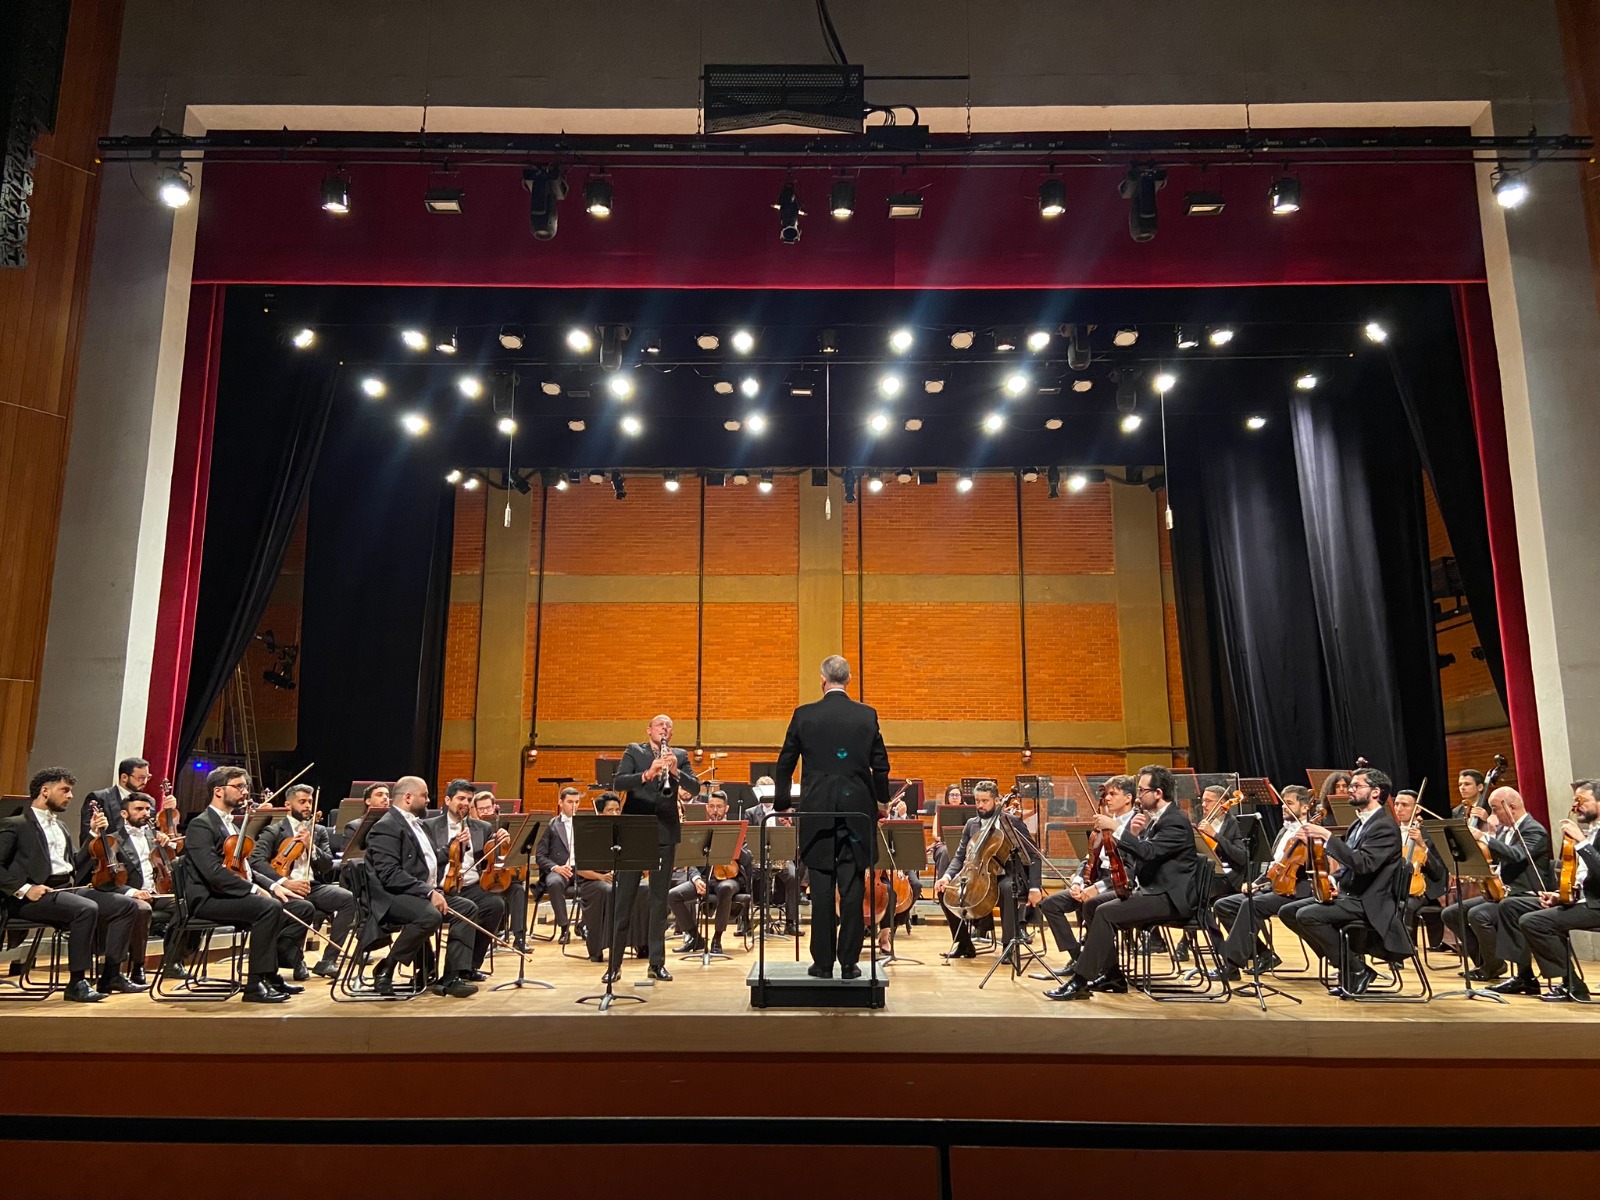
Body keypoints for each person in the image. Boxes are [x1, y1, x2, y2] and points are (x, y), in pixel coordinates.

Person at [773, 655, 891, 980]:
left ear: (822, 680)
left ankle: (822, 964)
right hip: (857, 813)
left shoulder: (804, 715)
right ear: (849, 679)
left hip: (818, 811)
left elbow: (785, 763)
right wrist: (881, 802)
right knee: (852, 886)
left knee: (822, 885)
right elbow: (880, 765)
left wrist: (783, 802)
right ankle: (850, 964)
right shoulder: (867, 716)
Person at [1045, 764, 1198, 1001]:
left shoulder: (1175, 821)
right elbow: (1141, 857)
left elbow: (1149, 853)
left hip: (1168, 897)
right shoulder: (1156, 819)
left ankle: (1079, 980)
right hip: (1151, 891)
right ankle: (1113, 976)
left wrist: (1117, 828)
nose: (1139, 795)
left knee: (1105, 912)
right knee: (1092, 906)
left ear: (1158, 793)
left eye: (1142, 790)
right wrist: (1133, 836)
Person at [0, 768, 142, 1002]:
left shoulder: (62, 827)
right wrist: (25, 889)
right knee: (85, 909)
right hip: (28, 897)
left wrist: (94, 836)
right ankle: (77, 982)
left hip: (64, 889)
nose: (70, 796)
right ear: (45, 791)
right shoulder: (16, 824)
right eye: (65, 790)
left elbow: (74, 865)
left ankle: (111, 974)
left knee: (126, 905)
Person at [182, 765, 313, 1003]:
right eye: (239, 787)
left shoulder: (232, 824)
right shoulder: (201, 824)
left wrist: (274, 886)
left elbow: (247, 869)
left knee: (301, 907)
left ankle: (270, 974)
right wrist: (255, 890)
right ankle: (255, 983)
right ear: (219, 791)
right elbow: (212, 873)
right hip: (207, 899)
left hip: (230, 895)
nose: (245, 792)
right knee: (268, 908)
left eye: (246, 786)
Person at [1278, 765, 1412, 996]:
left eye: (1357, 786)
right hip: (1350, 895)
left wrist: (1328, 836)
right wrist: (1332, 878)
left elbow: (1364, 864)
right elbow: (1349, 866)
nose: (1350, 790)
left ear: (1376, 792)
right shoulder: (1359, 823)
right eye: (1351, 786)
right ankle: (1347, 963)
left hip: (1370, 902)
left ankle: (1354, 969)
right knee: (1288, 912)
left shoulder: (1385, 826)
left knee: (1307, 915)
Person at [362, 775, 483, 997]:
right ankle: (386, 967)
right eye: (424, 795)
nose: (428, 800)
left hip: (416, 893)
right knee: (430, 915)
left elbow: (430, 859)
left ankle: (451, 976)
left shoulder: (419, 824)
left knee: (467, 908)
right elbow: (390, 875)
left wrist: (456, 847)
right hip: (392, 897)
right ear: (408, 797)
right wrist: (429, 893)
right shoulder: (386, 827)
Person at [610, 714, 698, 982]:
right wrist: (647, 774)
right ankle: (614, 965)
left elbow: (694, 786)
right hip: (635, 830)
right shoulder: (634, 751)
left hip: (665, 830)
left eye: (669, 726)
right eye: (661, 725)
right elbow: (619, 782)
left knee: (659, 901)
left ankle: (656, 963)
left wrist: (674, 772)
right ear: (649, 729)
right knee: (624, 898)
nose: (665, 729)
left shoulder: (679, 755)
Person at [1441, 785, 1552, 982]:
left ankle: (1502, 969)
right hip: (1500, 893)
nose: (1493, 814)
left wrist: (1484, 836)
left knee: (1478, 915)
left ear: (1511, 807)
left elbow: (1517, 855)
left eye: (1495, 809)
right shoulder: (1503, 831)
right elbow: (1493, 857)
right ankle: (1488, 963)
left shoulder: (1535, 830)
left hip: (1524, 894)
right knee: (1451, 913)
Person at [249, 783, 355, 979]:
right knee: (305, 907)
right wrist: (283, 882)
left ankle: (328, 960)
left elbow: (326, 866)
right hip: (286, 889)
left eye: (310, 802)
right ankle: (297, 960)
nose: (307, 806)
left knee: (347, 899)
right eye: (302, 802)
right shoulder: (273, 831)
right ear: (288, 805)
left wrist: (311, 847)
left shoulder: (318, 831)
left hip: (312, 886)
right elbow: (256, 861)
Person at [1507, 780, 1600, 1001]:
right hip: (1584, 900)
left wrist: (1582, 842)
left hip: (1597, 904)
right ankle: (1525, 976)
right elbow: (1584, 877)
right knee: (1513, 907)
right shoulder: (1591, 832)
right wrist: (1560, 895)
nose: (1577, 806)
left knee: (1534, 922)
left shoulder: (1586, 837)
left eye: (1583, 800)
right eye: (1575, 800)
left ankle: (1572, 985)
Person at [1209, 784, 1313, 978]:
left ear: (1305, 807)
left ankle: (1231, 966)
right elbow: (1276, 865)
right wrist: (1256, 882)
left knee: (1252, 904)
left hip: (1296, 890)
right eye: (1283, 804)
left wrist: (1311, 843)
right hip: (1274, 886)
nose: (1284, 808)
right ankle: (1263, 954)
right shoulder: (1284, 832)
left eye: (1289, 804)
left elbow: (1310, 868)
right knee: (1224, 905)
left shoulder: (1312, 833)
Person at [936, 780, 1042, 960]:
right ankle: (964, 944)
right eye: (977, 801)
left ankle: (1008, 947)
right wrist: (946, 877)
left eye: (985, 801)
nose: (980, 805)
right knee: (945, 892)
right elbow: (960, 856)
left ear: (997, 801)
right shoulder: (972, 824)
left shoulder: (1012, 822)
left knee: (1008, 889)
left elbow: (1034, 855)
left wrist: (1034, 887)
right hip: (979, 876)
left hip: (1008, 876)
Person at [1038, 776, 1136, 966]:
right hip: (1097, 880)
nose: (1107, 798)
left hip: (1121, 884)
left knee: (1092, 905)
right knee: (1050, 904)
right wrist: (1078, 882)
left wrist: (1097, 888)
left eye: (1113, 794)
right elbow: (1090, 856)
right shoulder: (1105, 822)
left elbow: (1130, 868)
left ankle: (1101, 967)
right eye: (1106, 794)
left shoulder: (1135, 825)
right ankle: (1078, 959)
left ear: (1128, 798)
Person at [423, 783, 510, 983]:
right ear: (447, 800)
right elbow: (426, 860)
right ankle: (451, 971)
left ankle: (470, 965)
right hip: (440, 888)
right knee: (466, 909)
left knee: (495, 905)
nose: (465, 803)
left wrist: (501, 843)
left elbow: (493, 859)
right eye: (461, 798)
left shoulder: (483, 827)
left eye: (469, 800)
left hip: (471, 886)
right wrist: (452, 845)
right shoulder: (429, 826)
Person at [97, 790, 179, 985]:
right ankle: (138, 965)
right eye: (139, 809)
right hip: (129, 895)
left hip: (156, 893)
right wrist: (133, 892)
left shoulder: (155, 837)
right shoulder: (113, 840)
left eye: (147, 809)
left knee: (186, 905)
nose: (145, 813)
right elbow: (106, 880)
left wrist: (168, 846)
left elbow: (166, 866)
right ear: (125, 814)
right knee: (142, 909)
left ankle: (173, 961)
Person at [576, 793, 650, 967]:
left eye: (618, 810)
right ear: (600, 813)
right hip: (592, 882)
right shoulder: (588, 833)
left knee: (644, 889)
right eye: (611, 810)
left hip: (620, 878)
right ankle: (602, 945)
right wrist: (601, 876)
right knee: (609, 890)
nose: (616, 814)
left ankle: (641, 943)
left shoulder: (626, 833)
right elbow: (581, 869)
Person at [670, 789, 745, 954]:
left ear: (726, 809)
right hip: (705, 878)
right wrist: (696, 879)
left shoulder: (736, 829)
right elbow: (692, 860)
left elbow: (748, 861)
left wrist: (735, 844)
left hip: (729, 879)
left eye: (719, 807)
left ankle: (717, 939)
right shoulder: (699, 830)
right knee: (673, 895)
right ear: (706, 808)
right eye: (711, 806)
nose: (715, 810)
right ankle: (695, 937)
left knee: (725, 888)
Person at [1391, 788, 1449, 952]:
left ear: (1417, 809)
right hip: (1395, 885)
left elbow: (1438, 872)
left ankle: (1404, 949)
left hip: (1422, 888)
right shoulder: (1390, 832)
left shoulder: (1430, 834)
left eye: (1404, 805)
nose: (1399, 808)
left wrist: (1422, 845)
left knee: (1404, 906)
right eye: (1396, 804)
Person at [474, 790, 528, 950]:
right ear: (475, 810)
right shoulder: (472, 829)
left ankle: (519, 937)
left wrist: (507, 843)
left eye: (488, 808)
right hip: (482, 879)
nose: (485, 812)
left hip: (503, 877)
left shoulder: (505, 827)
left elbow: (516, 855)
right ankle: (489, 935)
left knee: (518, 890)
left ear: (494, 807)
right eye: (481, 809)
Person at [747, 776, 800, 936]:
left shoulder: (784, 812)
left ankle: (791, 922)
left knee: (793, 875)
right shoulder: (750, 813)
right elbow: (744, 840)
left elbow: (795, 841)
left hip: (781, 857)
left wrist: (789, 827)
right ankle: (745, 922)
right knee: (744, 874)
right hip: (757, 858)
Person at [534, 786, 582, 944]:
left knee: (601, 884)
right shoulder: (551, 826)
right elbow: (540, 856)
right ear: (560, 802)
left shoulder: (585, 824)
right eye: (570, 802)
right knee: (554, 882)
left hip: (581, 870)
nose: (573, 806)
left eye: (577, 802)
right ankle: (564, 928)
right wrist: (557, 868)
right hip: (559, 869)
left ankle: (584, 925)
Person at [80, 756, 152, 841]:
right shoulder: (99, 798)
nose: (144, 782)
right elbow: (86, 838)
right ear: (124, 777)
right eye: (141, 778)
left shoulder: (149, 801)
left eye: (147, 777)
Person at [334, 783, 391, 854]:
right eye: (379, 795)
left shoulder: (394, 824)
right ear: (368, 801)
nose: (385, 797)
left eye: (387, 795)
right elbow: (347, 858)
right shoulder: (354, 826)